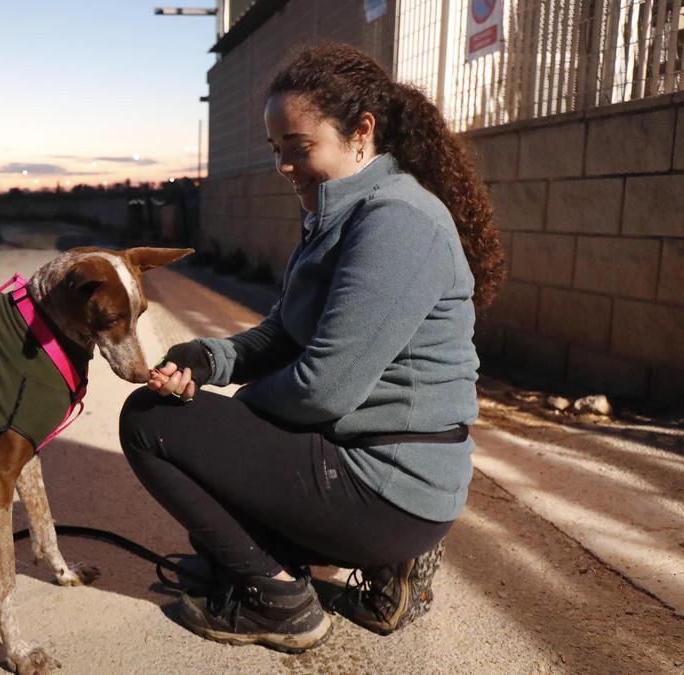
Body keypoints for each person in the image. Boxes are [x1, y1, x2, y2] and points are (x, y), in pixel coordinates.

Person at [119, 42, 504, 653]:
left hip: (388, 488)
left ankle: (280, 603)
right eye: (276, 150)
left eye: (298, 147)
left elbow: (324, 388)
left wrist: (237, 412)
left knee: (149, 421)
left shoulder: (397, 221)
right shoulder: (340, 212)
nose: (284, 166)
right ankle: (372, 568)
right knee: (215, 525)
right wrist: (208, 359)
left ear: (361, 132)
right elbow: (282, 333)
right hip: (366, 469)